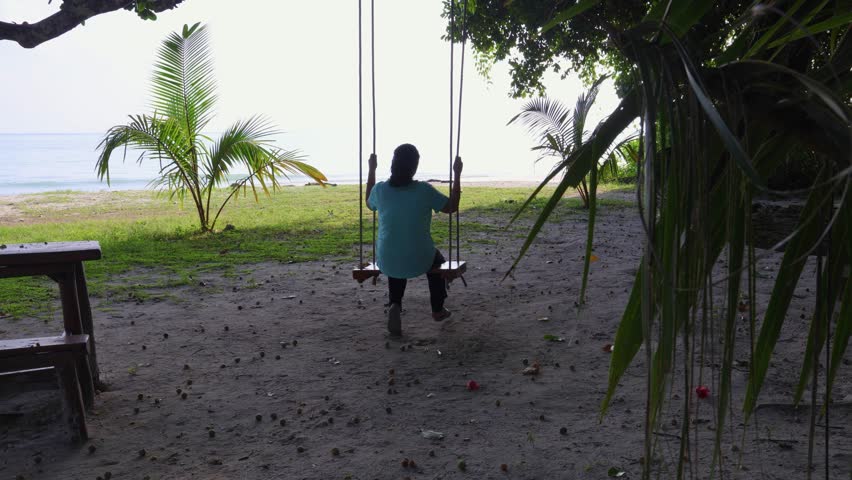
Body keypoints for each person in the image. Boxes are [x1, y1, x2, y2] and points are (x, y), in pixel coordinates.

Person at [366, 143, 462, 336]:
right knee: (437, 263)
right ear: (415, 167)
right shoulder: (424, 190)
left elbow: (369, 202)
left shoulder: (380, 190)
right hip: (420, 258)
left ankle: (395, 303)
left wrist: (371, 169)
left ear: (393, 164)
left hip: (387, 259)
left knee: (396, 253)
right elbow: (451, 207)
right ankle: (437, 309)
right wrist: (457, 174)